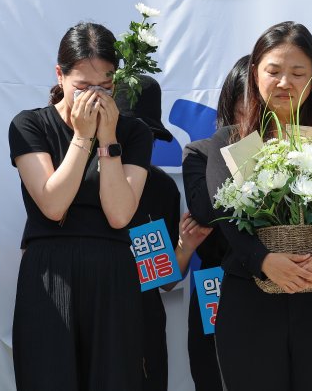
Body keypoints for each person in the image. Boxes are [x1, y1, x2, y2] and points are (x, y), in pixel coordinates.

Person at [204, 21, 312, 391]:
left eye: (297, 73)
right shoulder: (230, 141)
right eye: (273, 71)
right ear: (254, 71)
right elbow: (225, 216)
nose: (284, 82)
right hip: (251, 301)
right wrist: (262, 259)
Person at [8, 22, 153, 391]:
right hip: (50, 269)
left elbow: (120, 214)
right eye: (83, 87)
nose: (95, 97)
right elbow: (53, 204)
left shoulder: (133, 132)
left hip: (113, 273)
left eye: (105, 87)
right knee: (47, 375)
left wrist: (108, 140)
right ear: (60, 74)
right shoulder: (30, 125)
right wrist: (83, 135)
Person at [116, 75, 212, 391]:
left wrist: (185, 246)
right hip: (88, 318)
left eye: (146, 135)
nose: (139, 143)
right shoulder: (80, 178)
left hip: (142, 329)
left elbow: (161, 279)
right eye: (126, 131)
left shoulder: (159, 187)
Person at [181, 54, 249, 391]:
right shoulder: (201, 152)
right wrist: (244, 148)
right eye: (246, 101)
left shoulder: (293, 151)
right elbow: (207, 212)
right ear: (231, 102)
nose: (253, 111)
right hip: (215, 283)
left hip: (274, 284)